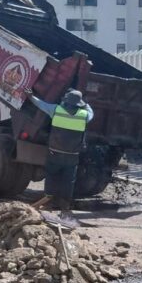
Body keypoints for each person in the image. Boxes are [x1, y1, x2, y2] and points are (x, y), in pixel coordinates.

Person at [26, 88, 93, 218]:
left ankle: (48, 203)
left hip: (54, 153)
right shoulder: (84, 115)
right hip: (72, 156)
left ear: (66, 100)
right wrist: (85, 103)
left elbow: (41, 104)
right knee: (68, 181)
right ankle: (65, 208)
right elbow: (91, 112)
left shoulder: (56, 110)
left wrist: (30, 96)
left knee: (51, 176)